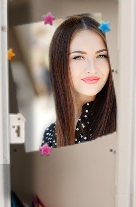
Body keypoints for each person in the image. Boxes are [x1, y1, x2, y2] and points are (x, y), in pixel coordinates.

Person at [42, 15, 116, 148]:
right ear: (59, 63)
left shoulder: (125, 121)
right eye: (78, 57)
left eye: (101, 55)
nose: (92, 69)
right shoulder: (51, 135)